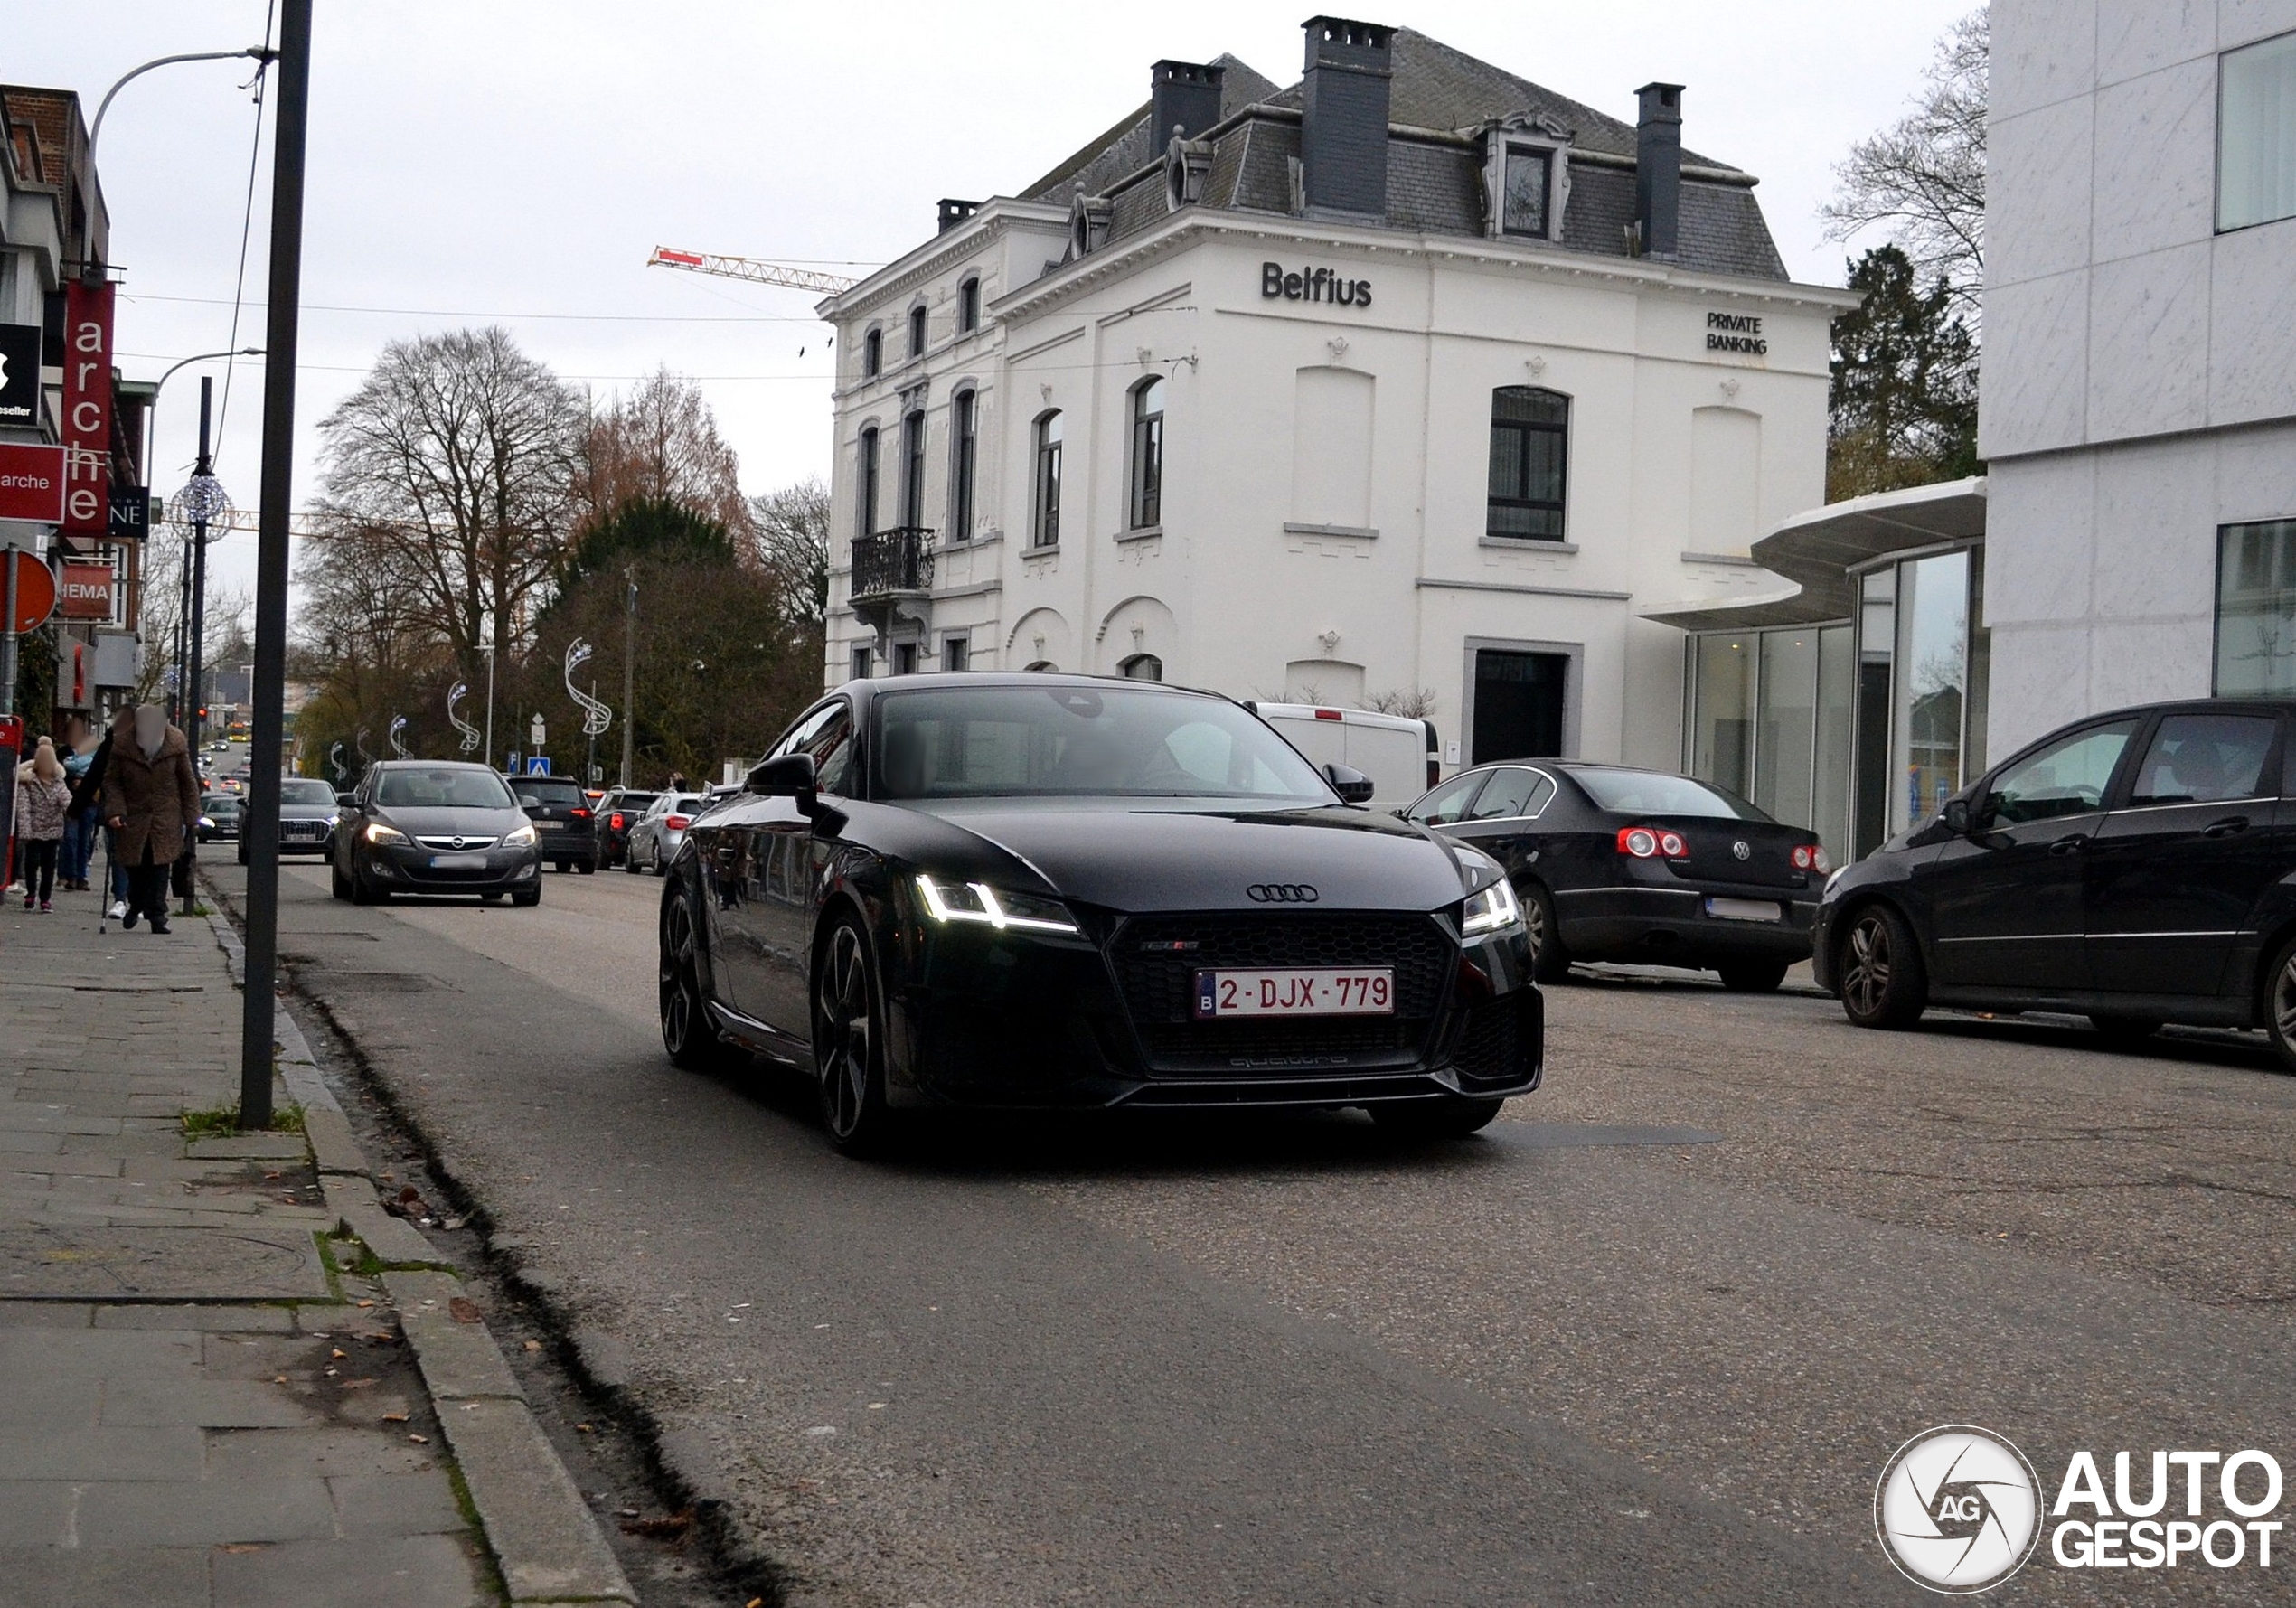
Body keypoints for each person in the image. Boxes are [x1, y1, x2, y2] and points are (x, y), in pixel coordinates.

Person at [99, 704, 199, 935]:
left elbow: (188, 781)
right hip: (133, 816)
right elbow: (112, 781)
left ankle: (157, 916)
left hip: (166, 816)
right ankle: (135, 904)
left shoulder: (176, 743)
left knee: (159, 867)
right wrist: (115, 811)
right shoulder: (123, 744)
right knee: (135, 867)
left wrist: (192, 816)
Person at [14, 738, 71, 912]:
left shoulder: (58, 782)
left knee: (48, 866)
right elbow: (23, 808)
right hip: (33, 829)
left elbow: (66, 799)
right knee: (31, 864)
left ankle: (45, 898)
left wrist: (72, 809)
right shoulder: (28, 781)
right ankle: (31, 893)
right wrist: (26, 831)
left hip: (53, 829)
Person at [58, 715, 98, 891]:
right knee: (71, 839)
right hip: (69, 801)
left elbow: (97, 771)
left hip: (89, 802)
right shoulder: (63, 752)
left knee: (84, 840)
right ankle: (70, 876)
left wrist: (82, 777)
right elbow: (60, 772)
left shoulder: (94, 752)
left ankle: (82, 876)